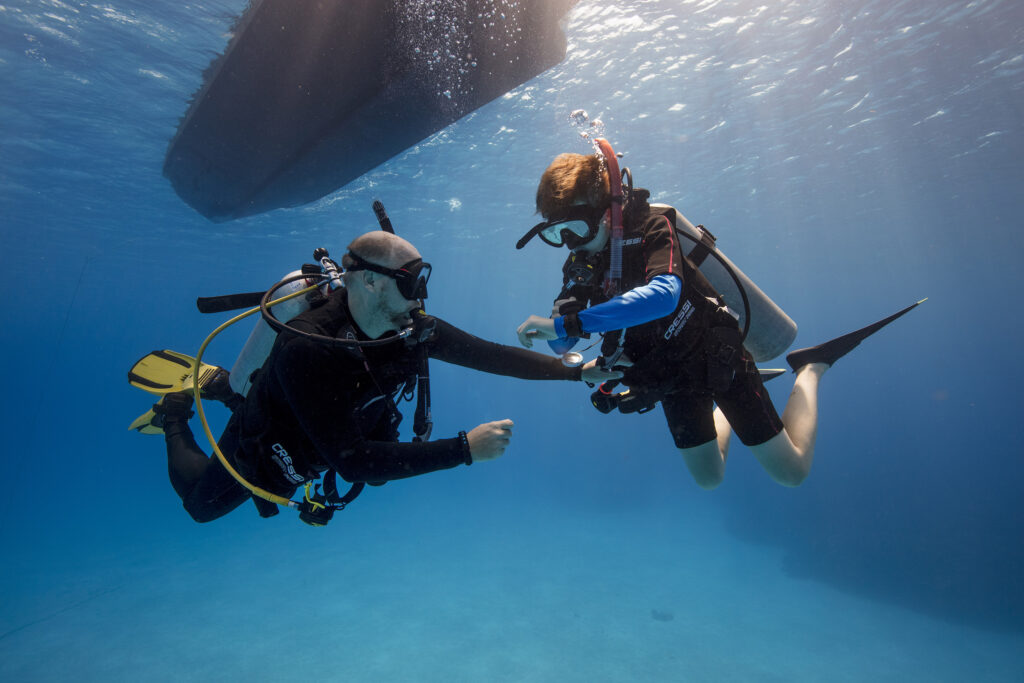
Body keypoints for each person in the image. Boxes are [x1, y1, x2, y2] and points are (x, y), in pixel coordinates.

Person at [143, 230, 618, 523]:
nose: (420, 297)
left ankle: (224, 385)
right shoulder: (308, 347)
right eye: (410, 282)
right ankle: (174, 413)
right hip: (271, 440)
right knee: (201, 508)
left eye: (422, 280)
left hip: (321, 428)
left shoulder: (412, 329)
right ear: (370, 281)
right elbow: (354, 463)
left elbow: (490, 356)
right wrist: (464, 450)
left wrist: (575, 373)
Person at [515, 150, 918, 489]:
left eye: (576, 228)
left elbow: (664, 295)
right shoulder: (580, 264)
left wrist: (567, 326)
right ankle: (725, 409)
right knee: (709, 479)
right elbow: (562, 342)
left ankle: (810, 368)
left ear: (608, 212)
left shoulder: (653, 227)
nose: (569, 243)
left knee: (791, 473)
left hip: (716, 357)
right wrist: (557, 331)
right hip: (668, 376)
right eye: (556, 234)